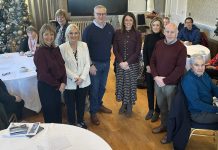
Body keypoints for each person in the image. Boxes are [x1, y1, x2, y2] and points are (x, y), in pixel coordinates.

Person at [150, 23, 186, 140]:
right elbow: (153, 61)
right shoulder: (159, 44)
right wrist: (155, 77)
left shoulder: (181, 48)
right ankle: (164, 125)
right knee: (162, 107)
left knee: (172, 110)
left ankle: (171, 133)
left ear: (177, 33)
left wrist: (165, 80)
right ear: (164, 32)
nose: (169, 34)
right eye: (167, 31)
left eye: (172, 32)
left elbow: (180, 69)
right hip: (158, 82)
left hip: (171, 85)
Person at [82, 5, 114, 125]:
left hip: (106, 63)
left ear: (106, 14)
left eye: (103, 14)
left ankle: (98, 105)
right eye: (98, 14)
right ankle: (93, 112)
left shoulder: (110, 28)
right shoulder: (88, 30)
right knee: (94, 90)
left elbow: (111, 45)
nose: (101, 16)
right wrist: (90, 65)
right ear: (94, 14)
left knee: (102, 87)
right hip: (94, 65)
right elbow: (84, 50)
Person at [59, 24, 90, 129]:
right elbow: (63, 66)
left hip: (83, 81)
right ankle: (71, 123)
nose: (74, 35)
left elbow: (87, 63)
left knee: (81, 103)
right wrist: (75, 77)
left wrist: (82, 77)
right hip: (69, 81)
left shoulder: (84, 45)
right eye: (71, 33)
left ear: (79, 34)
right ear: (67, 35)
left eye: (76, 33)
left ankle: (80, 120)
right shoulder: (62, 47)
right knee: (70, 105)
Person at [34, 24, 66, 123]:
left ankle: (58, 135)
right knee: (50, 116)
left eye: (52, 34)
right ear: (41, 35)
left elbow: (62, 66)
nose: (49, 37)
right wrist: (58, 85)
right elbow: (43, 75)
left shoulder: (56, 49)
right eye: (46, 34)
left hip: (57, 86)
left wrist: (64, 82)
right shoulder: (40, 52)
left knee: (57, 113)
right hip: (46, 88)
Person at [113, 12, 141, 117]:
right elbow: (115, 49)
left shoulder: (138, 34)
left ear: (133, 22)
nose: (128, 22)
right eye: (126, 20)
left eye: (130, 20)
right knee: (122, 84)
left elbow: (137, 51)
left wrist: (127, 62)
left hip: (132, 64)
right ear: (123, 21)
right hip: (120, 64)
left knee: (130, 85)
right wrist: (121, 62)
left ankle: (129, 105)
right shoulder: (118, 32)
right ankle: (123, 104)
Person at [182, 54, 218, 123]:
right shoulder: (189, 80)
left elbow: (214, 88)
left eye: (202, 65)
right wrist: (216, 109)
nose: (200, 68)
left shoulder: (204, 74)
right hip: (198, 113)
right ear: (191, 66)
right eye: (197, 65)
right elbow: (196, 103)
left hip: (209, 106)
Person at [143, 17, 165, 122]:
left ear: (160, 27)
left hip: (160, 69)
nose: (155, 27)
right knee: (150, 89)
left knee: (159, 91)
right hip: (149, 69)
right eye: (154, 25)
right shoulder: (148, 37)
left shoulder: (164, 38)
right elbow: (145, 53)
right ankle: (150, 109)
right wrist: (147, 65)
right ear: (151, 26)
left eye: (158, 25)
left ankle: (157, 111)